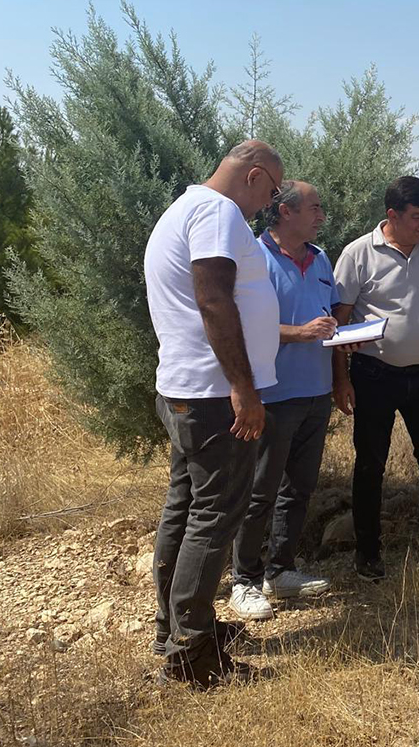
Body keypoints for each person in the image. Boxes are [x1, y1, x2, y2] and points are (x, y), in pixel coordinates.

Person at [143, 139, 283, 687]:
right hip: (212, 395)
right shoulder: (218, 212)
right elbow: (214, 299)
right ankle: (190, 655)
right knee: (213, 517)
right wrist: (243, 387)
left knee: (185, 510)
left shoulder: (183, 208)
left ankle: (176, 627)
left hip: (185, 389)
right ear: (252, 175)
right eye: (270, 192)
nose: (267, 205)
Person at [332, 176, 419, 582]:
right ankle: (368, 552)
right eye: (418, 216)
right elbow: (340, 321)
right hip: (374, 376)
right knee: (371, 464)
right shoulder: (358, 254)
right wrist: (341, 379)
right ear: (392, 215)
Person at [228, 181, 338, 621]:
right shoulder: (254, 259)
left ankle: (282, 569)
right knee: (260, 492)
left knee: (299, 488)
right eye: (314, 207)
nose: (322, 215)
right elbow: (238, 327)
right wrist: (299, 333)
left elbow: (326, 319)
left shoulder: (321, 257)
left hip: (316, 392)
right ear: (285, 212)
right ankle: (244, 581)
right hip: (273, 396)